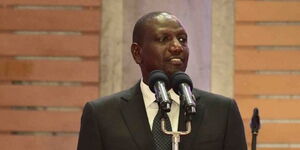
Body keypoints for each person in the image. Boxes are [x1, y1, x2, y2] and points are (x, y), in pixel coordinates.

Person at [77, 11, 247, 150]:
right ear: (137, 53)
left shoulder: (222, 112)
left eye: (182, 39)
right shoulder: (102, 114)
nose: (177, 47)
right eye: (164, 39)